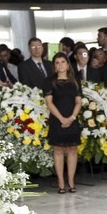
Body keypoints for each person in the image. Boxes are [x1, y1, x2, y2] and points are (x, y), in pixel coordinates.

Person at [44, 52, 83, 194]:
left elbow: (78, 101)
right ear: (54, 66)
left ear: (68, 64)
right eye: (57, 62)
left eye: (63, 61)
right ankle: (61, 182)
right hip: (57, 120)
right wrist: (62, 119)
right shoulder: (49, 81)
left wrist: (72, 118)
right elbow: (49, 103)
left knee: (73, 149)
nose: (60, 64)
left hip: (72, 119)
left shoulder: (75, 80)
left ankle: (71, 181)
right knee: (58, 150)